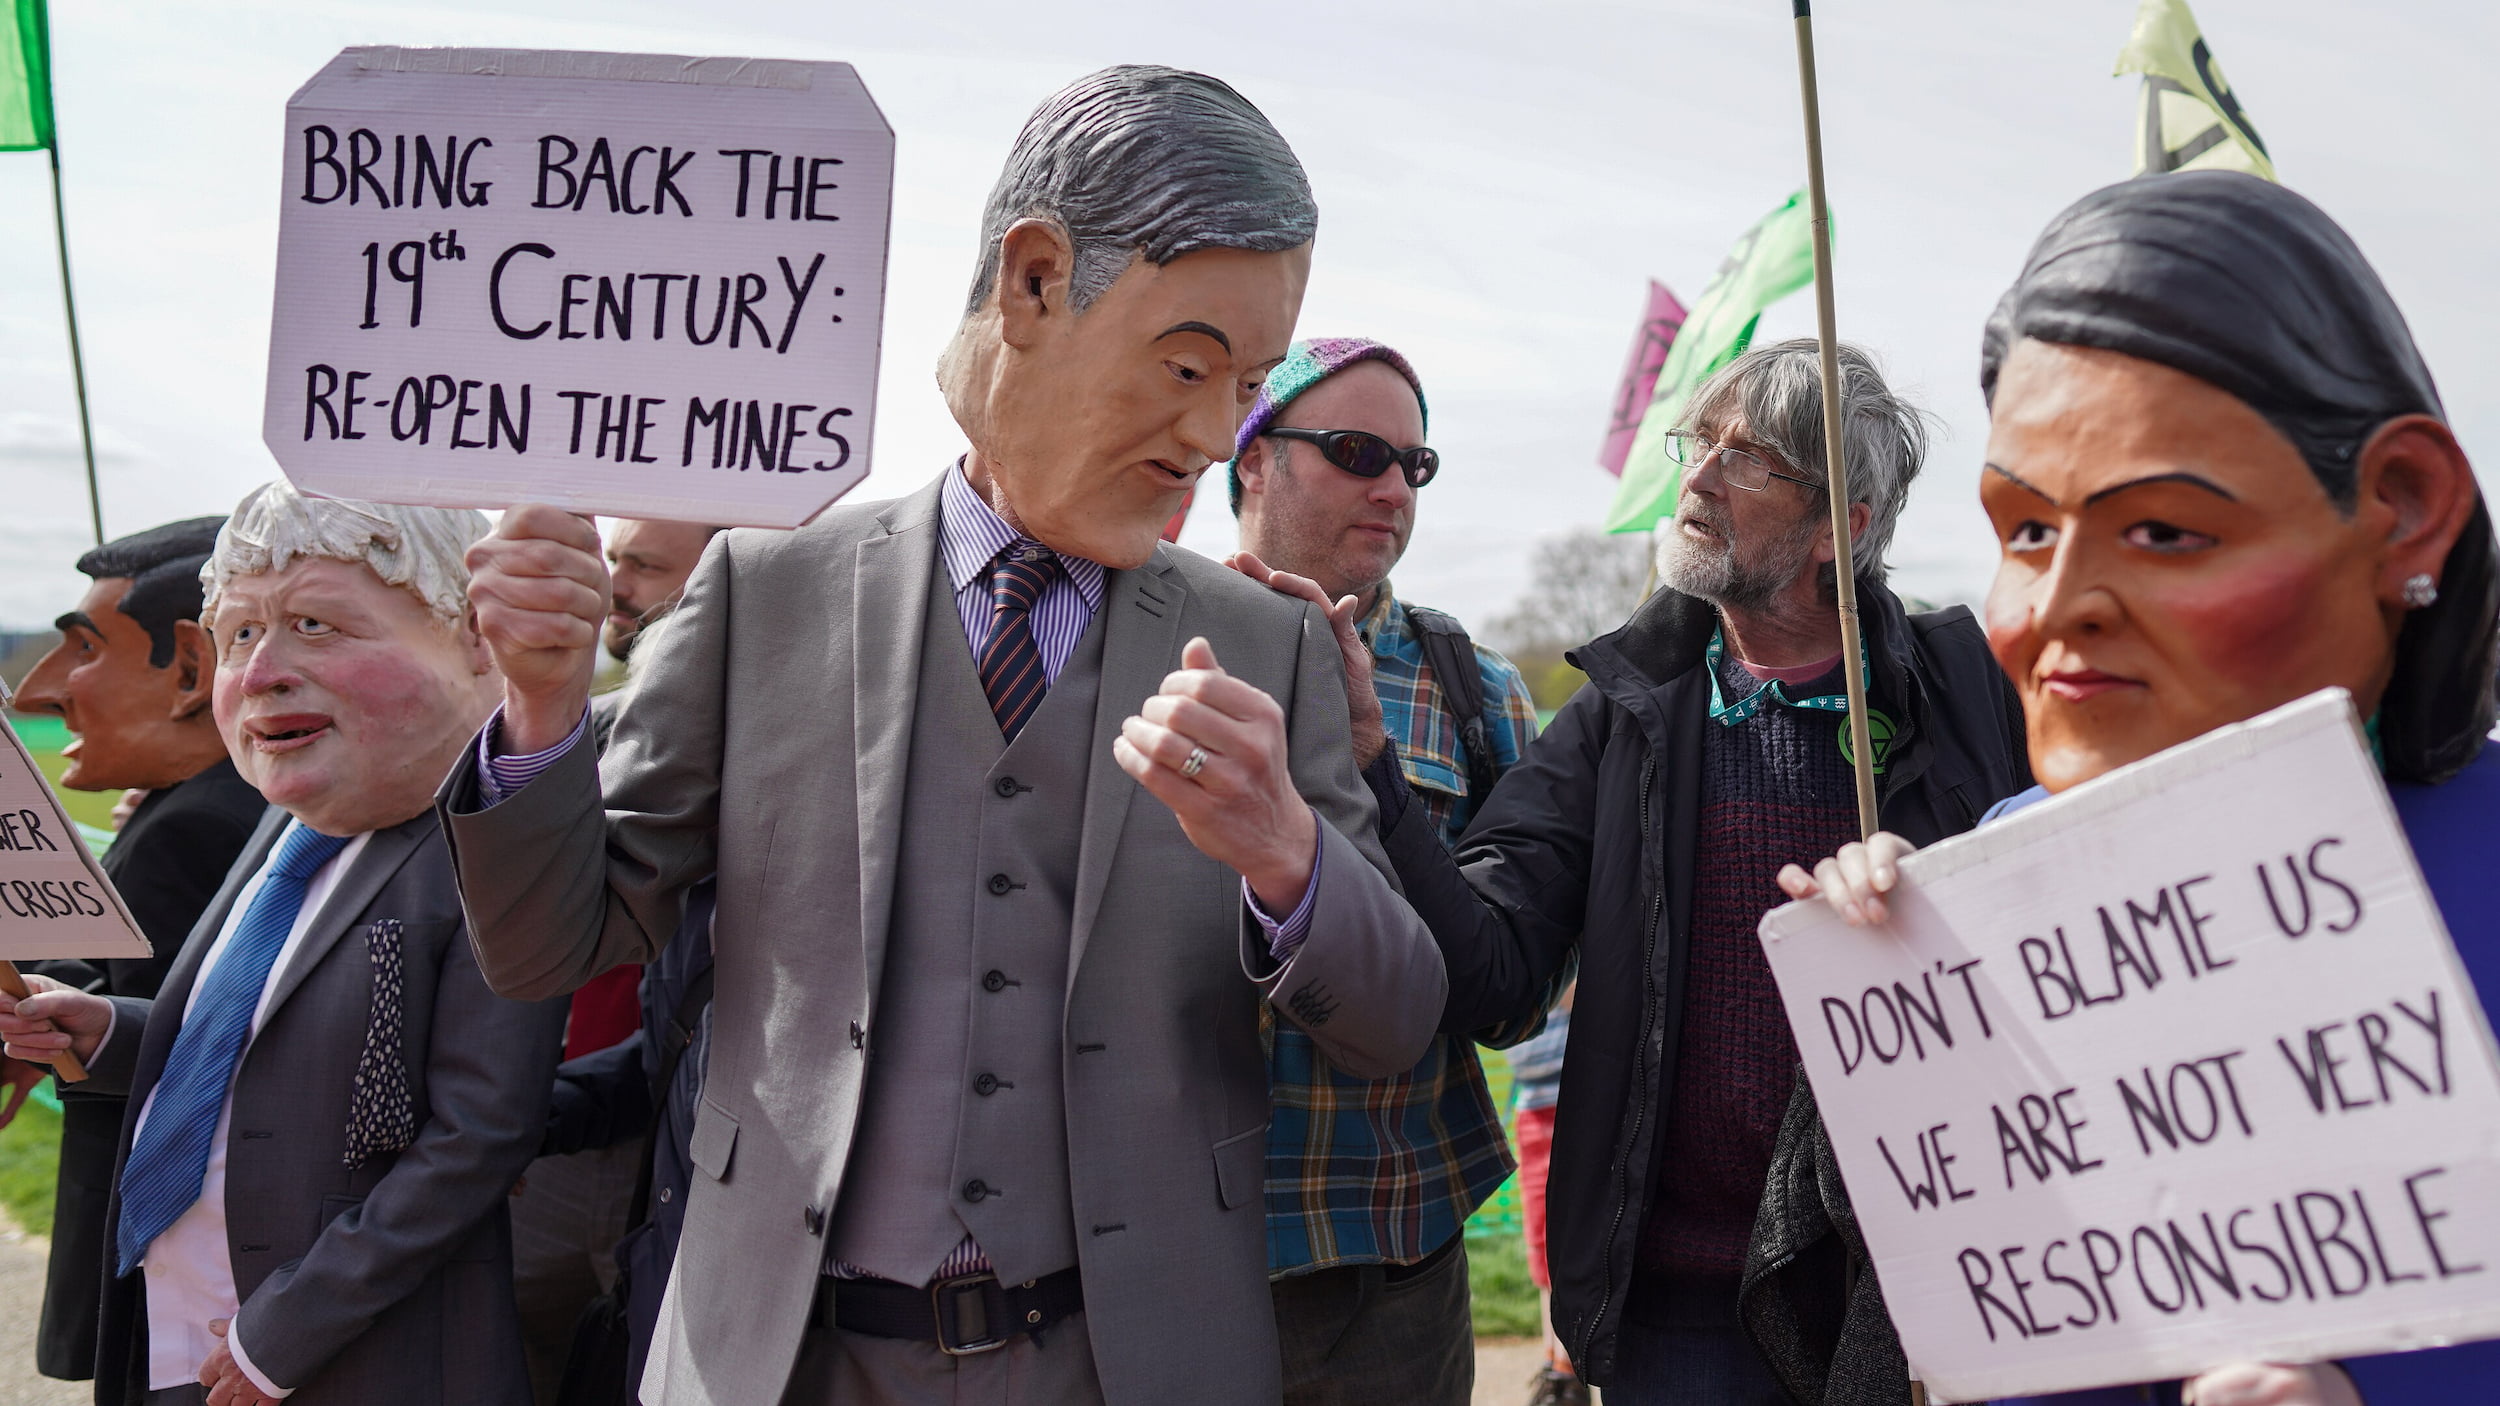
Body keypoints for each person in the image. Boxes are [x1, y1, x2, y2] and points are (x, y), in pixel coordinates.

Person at [438, 66, 1443, 1406]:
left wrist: (1286, 857)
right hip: (781, 1356)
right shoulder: (762, 589)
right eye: (1189, 365)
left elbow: (1398, 1021)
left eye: (1248, 385)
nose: (1212, 435)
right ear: (1033, 284)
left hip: (1131, 1363)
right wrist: (544, 708)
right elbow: (550, 943)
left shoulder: (1269, 645)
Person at [1787, 171, 2500, 1406]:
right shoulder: (1998, 870)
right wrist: (1903, 969)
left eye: (2164, 530)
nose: (2053, 611)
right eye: (2023, 532)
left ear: (2401, 512)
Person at [1259, 337, 2032, 1401]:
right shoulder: (1617, 715)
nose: (1698, 478)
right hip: (1681, 1314)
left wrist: (1936, 883)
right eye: (1698, 443)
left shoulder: (1976, 689)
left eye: (1750, 457)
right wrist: (1377, 768)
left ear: (1840, 528)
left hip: (1933, 1288)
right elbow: (1490, 976)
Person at [0, 483, 568, 1406]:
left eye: (315, 625)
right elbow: (263, 1048)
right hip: (175, 1335)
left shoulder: (491, 848)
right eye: (236, 636)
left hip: (327, 1363)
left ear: (472, 635)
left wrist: (287, 1331)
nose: (260, 672)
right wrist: (106, 1032)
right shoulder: (285, 827)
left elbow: (476, 1135)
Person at [1226, 336, 1540, 1405]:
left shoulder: (1479, 689)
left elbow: (1517, 985)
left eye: (1416, 463)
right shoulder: (1127, 638)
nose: (1393, 484)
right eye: (1359, 449)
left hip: (1390, 1264)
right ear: (1252, 457)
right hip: (1159, 1244)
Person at [6, 518, 270, 1383]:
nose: (40, 693)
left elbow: (182, 1054)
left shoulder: (192, 828)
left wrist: (48, 1022)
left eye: (83, 649)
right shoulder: (191, 812)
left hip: (165, 1281)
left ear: (192, 669)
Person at [511, 516, 721, 1405]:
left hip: (649, 1147)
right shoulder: (580, 734)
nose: (614, 586)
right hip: (551, 1117)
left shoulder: (761, 756)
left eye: (641, 564)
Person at [1505, 996, 1582, 1406]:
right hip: (1533, 1107)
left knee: (1572, 1245)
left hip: (1581, 1101)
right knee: (1542, 1249)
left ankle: (1568, 1370)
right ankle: (1555, 1362)